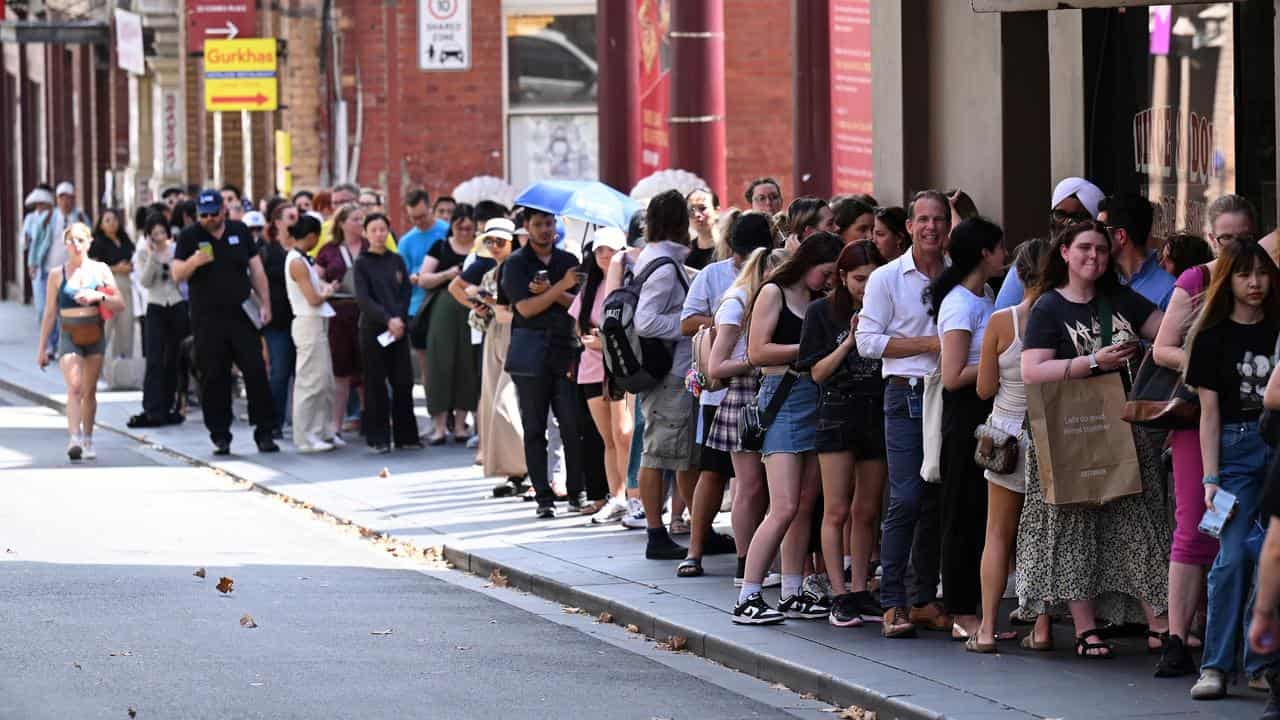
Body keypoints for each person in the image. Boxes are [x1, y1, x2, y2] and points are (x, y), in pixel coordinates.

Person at [1019, 220, 1170, 659]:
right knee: (1073, 530)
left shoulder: (1119, 298)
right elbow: (1032, 370)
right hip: (1070, 431)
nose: (1094, 257)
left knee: (1141, 526)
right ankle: (1086, 630)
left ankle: (1160, 622)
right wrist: (1091, 361)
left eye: (1102, 250)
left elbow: (1166, 329)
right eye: (1084, 248)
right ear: (1064, 252)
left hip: (1123, 428)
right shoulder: (1048, 307)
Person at [1151, 194, 1275, 677]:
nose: (1236, 251)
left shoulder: (1270, 298)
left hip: (1265, 440)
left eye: (1244, 238)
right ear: (1210, 238)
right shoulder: (1198, 286)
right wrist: (1210, 369)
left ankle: (1259, 661)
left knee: (1259, 550)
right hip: (1217, 434)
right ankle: (1189, 645)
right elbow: (1164, 349)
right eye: (1226, 239)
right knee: (1211, 540)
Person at [1183, 239, 1280, 699]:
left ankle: (1262, 664)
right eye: (1244, 274)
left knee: (1270, 559)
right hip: (1236, 451)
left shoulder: (1279, 327)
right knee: (1233, 556)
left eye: (1262, 273)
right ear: (1229, 279)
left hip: (1276, 447)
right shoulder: (1212, 336)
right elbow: (1209, 413)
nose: (1255, 283)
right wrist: (1210, 477)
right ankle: (1217, 666)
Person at [731, 232, 843, 624]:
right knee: (783, 506)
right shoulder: (773, 292)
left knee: (804, 506)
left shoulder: (816, 299)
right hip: (782, 397)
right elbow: (757, 353)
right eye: (826, 272)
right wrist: (810, 348)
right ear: (809, 263)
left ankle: (793, 591)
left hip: (814, 397)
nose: (829, 281)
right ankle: (748, 594)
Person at [854, 190, 951, 638]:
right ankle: (892, 602)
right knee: (907, 497)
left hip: (950, 394)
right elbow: (867, 342)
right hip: (906, 392)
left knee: (936, 501)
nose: (931, 227)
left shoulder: (960, 277)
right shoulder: (887, 278)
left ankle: (924, 598)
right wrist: (930, 345)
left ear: (948, 227)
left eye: (939, 220)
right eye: (923, 219)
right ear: (909, 226)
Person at [675, 209, 772, 576]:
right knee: (714, 473)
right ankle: (695, 552)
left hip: (759, 388)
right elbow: (687, 322)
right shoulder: (715, 276)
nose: (742, 258)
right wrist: (721, 322)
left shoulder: (774, 272)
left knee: (755, 480)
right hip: (721, 394)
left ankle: (752, 559)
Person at [797, 240, 888, 627]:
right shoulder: (822, 312)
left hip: (877, 410)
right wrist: (851, 339)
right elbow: (816, 373)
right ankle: (839, 591)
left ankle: (861, 585)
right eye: (857, 279)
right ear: (841, 277)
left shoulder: (888, 306)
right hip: (836, 410)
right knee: (835, 508)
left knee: (866, 509)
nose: (865, 288)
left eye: (872, 279)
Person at [927, 218, 1006, 646]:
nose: (1004, 254)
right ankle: (960, 608)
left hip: (989, 407)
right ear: (983, 253)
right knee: (961, 511)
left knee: (984, 513)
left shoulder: (986, 295)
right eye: (999, 247)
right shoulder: (959, 304)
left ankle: (981, 607)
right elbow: (953, 374)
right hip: (965, 412)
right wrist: (1000, 365)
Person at [971, 238, 1049, 651]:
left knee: (998, 533)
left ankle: (985, 629)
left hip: (1006, 437)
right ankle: (1041, 626)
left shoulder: (1002, 321)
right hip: (1050, 435)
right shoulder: (1061, 315)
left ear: (1018, 274)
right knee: (1043, 534)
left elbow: (985, 388)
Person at [171, 190, 278, 455]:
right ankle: (220, 434)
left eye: (213, 214)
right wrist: (194, 262)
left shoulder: (239, 231)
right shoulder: (189, 237)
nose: (209, 219)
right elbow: (176, 274)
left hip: (241, 314)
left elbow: (256, 270)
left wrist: (265, 303)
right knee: (214, 376)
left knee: (255, 371)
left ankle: (264, 431)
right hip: (207, 318)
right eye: (203, 215)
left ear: (223, 211)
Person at [707, 224, 784, 588]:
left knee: (759, 487)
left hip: (765, 393)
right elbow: (717, 366)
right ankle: (744, 564)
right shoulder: (737, 302)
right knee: (749, 486)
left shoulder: (758, 301)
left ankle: (756, 562)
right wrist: (755, 359)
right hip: (742, 395)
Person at [501, 207, 586, 518]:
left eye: (549, 223)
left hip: (565, 350)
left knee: (571, 424)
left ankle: (577, 491)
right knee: (535, 427)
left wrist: (554, 290)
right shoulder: (515, 264)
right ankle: (544, 497)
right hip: (530, 354)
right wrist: (560, 288)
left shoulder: (568, 262)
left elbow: (579, 304)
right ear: (526, 227)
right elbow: (526, 309)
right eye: (538, 224)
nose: (545, 230)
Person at [632, 190, 699, 557]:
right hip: (670, 372)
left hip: (670, 372)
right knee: (658, 454)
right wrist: (687, 324)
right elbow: (646, 321)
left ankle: (697, 526)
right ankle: (655, 534)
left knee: (681, 454)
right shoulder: (663, 264)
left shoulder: (655, 257)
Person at [35, 223, 125, 460]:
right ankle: (74, 439)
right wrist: (42, 347)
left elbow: (119, 303)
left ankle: (88, 438)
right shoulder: (57, 274)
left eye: (80, 240)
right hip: (68, 334)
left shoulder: (101, 270)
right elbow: (49, 313)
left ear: (89, 242)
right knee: (74, 387)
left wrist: (98, 296)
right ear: (65, 245)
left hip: (94, 333)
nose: (75, 245)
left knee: (89, 391)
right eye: (71, 241)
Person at [570, 227, 631, 521]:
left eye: (611, 250)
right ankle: (615, 495)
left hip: (619, 367)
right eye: (599, 251)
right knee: (607, 437)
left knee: (624, 434)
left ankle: (632, 496)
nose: (605, 256)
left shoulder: (628, 285)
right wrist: (590, 340)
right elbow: (578, 326)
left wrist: (604, 342)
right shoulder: (590, 288)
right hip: (592, 367)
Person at [468, 218, 529, 496]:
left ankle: (526, 468)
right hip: (494, 335)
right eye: (490, 241)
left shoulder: (521, 269)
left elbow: (523, 307)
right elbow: (476, 318)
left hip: (516, 336)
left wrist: (494, 304)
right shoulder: (489, 274)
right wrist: (482, 309)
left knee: (508, 403)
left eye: (500, 241)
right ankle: (512, 472)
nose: (494, 246)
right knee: (492, 402)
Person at [354, 213, 420, 453]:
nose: (379, 234)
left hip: (399, 330)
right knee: (375, 383)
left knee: (403, 381)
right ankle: (378, 437)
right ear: (366, 233)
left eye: (383, 229)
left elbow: (405, 293)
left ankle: (406, 436)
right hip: (373, 330)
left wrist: (400, 319)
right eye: (374, 230)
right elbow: (364, 299)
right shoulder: (361, 263)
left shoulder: (397, 260)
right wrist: (386, 319)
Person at [417, 204, 481, 444]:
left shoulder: (481, 247)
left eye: (468, 227)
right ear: (452, 225)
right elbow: (423, 279)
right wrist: (449, 274)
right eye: (459, 226)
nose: (464, 231)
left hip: (470, 310)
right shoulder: (441, 246)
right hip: (443, 308)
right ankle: (440, 425)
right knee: (439, 364)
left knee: (467, 365)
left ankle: (462, 424)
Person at [995, 176, 1105, 310]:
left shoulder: (1101, 264)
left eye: (1078, 217)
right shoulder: (1032, 259)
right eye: (1060, 215)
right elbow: (1003, 313)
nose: (1067, 223)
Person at [284, 214, 341, 453]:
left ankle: (324, 430)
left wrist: (325, 289)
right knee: (310, 382)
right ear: (311, 237)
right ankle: (306, 436)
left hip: (317, 321)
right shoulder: (296, 261)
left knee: (325, 380)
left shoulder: (304, 260)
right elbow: (313, 298)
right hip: (307, 322)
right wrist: (329, 292)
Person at [128, 214, 189, 429]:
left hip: (175, 304)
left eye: (162, 232)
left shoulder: (176, 252)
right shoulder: (144, 253)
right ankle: (152, 408)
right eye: (154, 234)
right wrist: (154, 257)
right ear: (148, 237)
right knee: (154, 359)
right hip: (155, 307)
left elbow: (180, 278)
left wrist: (170, 259)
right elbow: (145, 281)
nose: (159, 237)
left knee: (172, 358)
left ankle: (169, 405)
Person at [315, 204, 366, 441]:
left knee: (368, 370)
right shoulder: (329, 250)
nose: (360, 223)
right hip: (340, 312)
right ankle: (335, 424)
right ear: (343, 223)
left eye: (361, 219)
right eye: (355, 219)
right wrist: (327, 288)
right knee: (340, 372)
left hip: (366, 312)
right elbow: (315, 279)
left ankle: (370, 418)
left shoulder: (369, 247)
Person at [400, 189, 450, 386]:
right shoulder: (406, 241)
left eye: (422, 216)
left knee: (446, 360)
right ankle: (433, 408)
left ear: (431, 209)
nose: (418, 221)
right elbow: (400, 276)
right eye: (413, 218)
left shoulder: (445, 231)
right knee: (426, 363)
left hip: (442, 302)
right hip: (417, 307)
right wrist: (410, 278)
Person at [1098, 192, 1175, 310]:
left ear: (1120, 236)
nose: (1095, 234)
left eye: (1100, 228)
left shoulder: (1169, 291)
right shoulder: (1099, 279)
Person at [260, 205, 296, 440]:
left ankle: (300, 419)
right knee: (280, 370)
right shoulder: (267, 252)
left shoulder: (303, 248)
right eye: (291, 217)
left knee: (302, 373)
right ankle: (274, 421)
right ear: (277, 223)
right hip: (277, 320)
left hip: (301, 317)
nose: (295, 221)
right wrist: (264, 308)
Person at [88, 208, 135, 359]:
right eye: (107, 220)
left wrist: (130, 267)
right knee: (105, 330)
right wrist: (116, 268)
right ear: (101, 225)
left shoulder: (125, 240)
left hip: (126, 288)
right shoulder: (96, 243)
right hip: (106, 289)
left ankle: (122, 368)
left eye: (114, 219)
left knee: (126, 328)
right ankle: (95, 367)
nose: (112, 223)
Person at [685, 188, 721, 270]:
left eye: (702, 208)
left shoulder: (729, 249)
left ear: (716, 211)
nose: (697, 214)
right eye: (691, 210)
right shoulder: (685, 252)